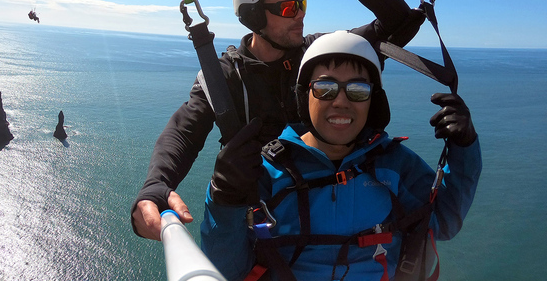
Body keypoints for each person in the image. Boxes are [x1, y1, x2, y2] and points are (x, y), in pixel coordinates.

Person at [132, 0, 423, 240]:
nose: (300, 16)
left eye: (302, 5)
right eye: (288, 8)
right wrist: (156, 185)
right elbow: (184, 132)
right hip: (269, 221)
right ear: (254, 16)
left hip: (339, 210)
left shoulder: (321, 55)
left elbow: (401, 23)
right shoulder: (227, 76)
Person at [201, 30, 481, 281]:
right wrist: (223, 197)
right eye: (325, 88)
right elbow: (226, 271)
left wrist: (464, 147)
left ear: (373, 101)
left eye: (358, 90)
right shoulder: (265, 171)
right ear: (304, 96)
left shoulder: (395, 165)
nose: (341, 101)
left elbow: (444, 221)